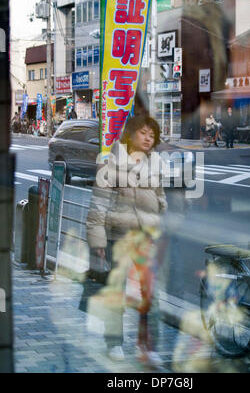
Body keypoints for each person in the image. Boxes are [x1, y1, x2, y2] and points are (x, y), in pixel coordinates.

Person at [86, 115, 167, 365]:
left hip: (146, 239)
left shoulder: (155, 163)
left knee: (149, 295)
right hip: (118, 238)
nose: (148, 138)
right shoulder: (111, 163)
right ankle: (114, 342)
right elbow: (98, 205)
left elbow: (161, 196)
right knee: (116, 293)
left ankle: (148, 345)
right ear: (130, 135)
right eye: (143, 133)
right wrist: (98, 242)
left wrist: (158, 213)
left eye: (152, 135)